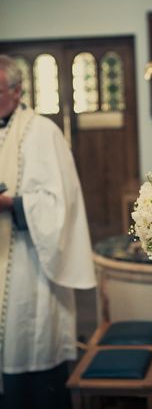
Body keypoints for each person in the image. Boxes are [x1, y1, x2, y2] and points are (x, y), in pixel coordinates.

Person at [0, 55, 97, 409]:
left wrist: (14, 204)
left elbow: (61, 203)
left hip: (30, 262)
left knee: (32, 345)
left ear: (17, 89)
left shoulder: (43, 132)